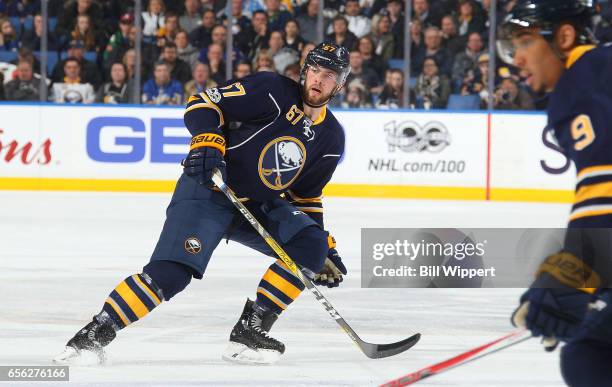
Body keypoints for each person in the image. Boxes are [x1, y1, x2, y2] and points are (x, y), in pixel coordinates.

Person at [54, 42, 350, 367]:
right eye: (315, 70)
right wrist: (207, 139)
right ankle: (91, 338)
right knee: (171, 275)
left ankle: (249, 332)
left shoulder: (331, 138)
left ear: (339, 84)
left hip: (256, 206)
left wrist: (322, 246)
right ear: (305, 70)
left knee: (310, 244)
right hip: (209, 189)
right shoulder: (271, 90)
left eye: (329, 75)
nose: (318, 80)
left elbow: (306, 197)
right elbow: (203, 101)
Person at [497, 1, 612, 386]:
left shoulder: (583, 79)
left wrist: (575, 274)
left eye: (525, 42)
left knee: (591, 355)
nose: (517, 59)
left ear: (563, 37)